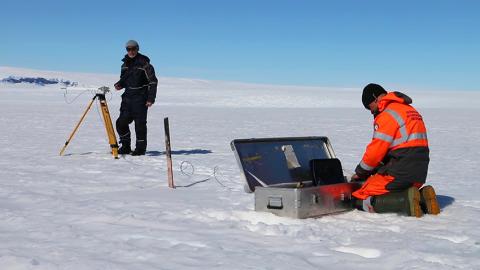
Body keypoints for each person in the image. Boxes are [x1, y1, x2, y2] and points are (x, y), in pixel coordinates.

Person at [351, 83, 440, 217]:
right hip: (419, 173)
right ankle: (422, 197)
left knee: (361, 195)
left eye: (369, 107)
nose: (371, 111)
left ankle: (405, 203)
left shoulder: (387, 114)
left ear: (375, 98)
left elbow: (375, 153)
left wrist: (361, 172)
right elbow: (401, 145)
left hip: (400, 172)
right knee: (401, 189)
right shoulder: (409, 110)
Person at [114, 40, 158, 156]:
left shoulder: (145, 64)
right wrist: (119, 85)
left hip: (140, 98)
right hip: (127, 99)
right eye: (128, 49)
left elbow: (153, 81)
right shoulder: (124, 65)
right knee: (121, 123)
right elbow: (124, 81)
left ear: (137, 49)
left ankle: (140, 149)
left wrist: (150, 98)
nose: (131, 51)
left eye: (133, 49)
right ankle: (125, 146)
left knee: (140, 125)